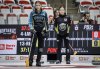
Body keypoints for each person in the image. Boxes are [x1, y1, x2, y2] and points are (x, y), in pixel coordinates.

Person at [28, 1, 48, 66]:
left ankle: (38, 61)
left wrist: (44, 30)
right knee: (32, 46)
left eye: (39, 5)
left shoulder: (44, 13)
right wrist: (32, 29)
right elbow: (30, 22)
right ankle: (30, 60)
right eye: (36, 5)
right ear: (35, 6)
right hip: (34, 31)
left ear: (41, 6)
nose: (37, 6)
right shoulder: (32, 13)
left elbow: (46, 24)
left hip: (41, 32)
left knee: (40, 47)